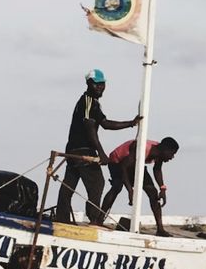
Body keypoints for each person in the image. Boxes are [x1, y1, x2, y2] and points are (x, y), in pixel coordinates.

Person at [54, 69, 140, 224]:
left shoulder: (94, 103)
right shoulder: (87, 101)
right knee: (97, 183)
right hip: (82, 149)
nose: (100, 87)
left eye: (102, 84)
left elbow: (105, 124)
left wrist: (131, 123)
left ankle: (62, 218)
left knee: (69, 183)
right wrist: (101, 153)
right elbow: (89, 127)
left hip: (73, 149)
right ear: (89, 84)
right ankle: (94, 220)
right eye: (97, 84)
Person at [99, 136, 179, 237]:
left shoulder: (159, 154)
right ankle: (99, 220)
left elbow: (157, 169)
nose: (172, 157)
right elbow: (124, 167)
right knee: (117, 186)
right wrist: (130, 190)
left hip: (136, 164)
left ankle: (160, 229)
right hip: (117, 162)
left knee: (153, 193)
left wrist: (162, 188)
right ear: (165, 150)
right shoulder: (141, 147)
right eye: (172, 154)